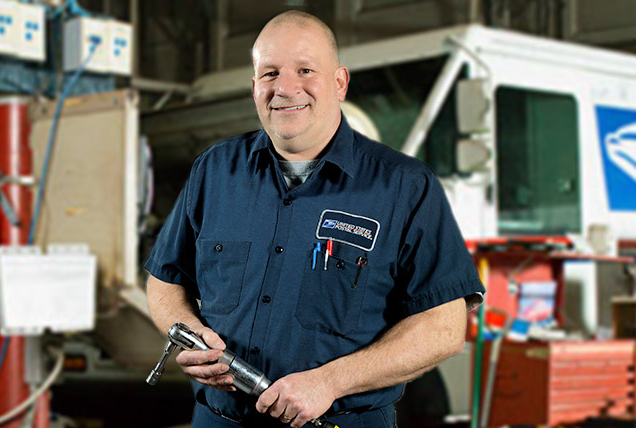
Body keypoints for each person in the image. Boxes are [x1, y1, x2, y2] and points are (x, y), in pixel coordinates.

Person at [144, 10, 484, 428]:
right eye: (269, 73)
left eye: (305, 70)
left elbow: (444, 327)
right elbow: (165, 281)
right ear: (254, 87)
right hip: (217, 419)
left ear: (339, 83)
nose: (285, 88)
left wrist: (330, 382)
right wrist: (190, 334)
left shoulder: (405, 186)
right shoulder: (215, 170)